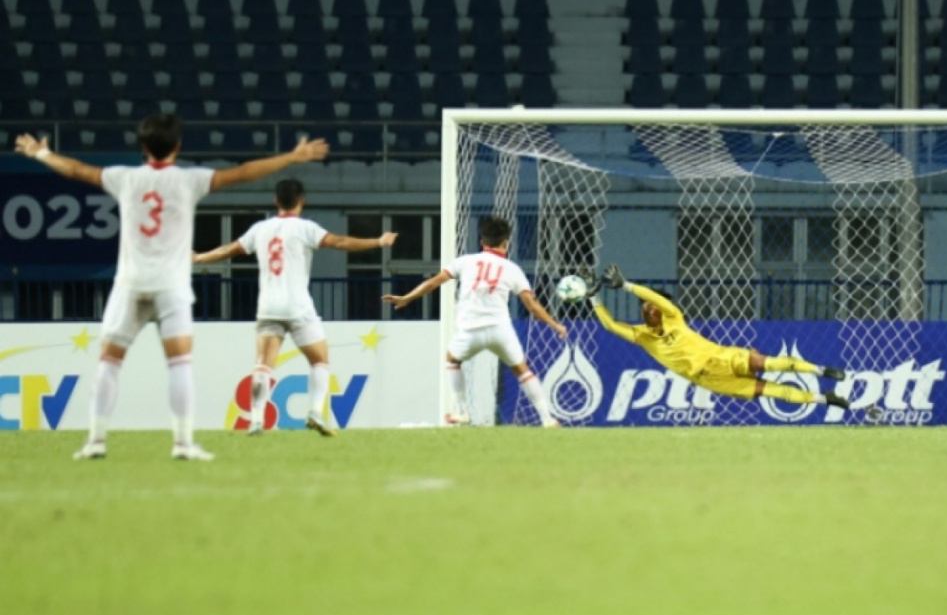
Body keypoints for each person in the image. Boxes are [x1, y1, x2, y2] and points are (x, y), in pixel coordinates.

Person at [13, 115, 329, 460]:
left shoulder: (126, 178)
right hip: (171, 285)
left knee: (109, 360)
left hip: (131, 283)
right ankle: (183, 443)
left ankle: (96, 441)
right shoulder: (188, 180)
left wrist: (40, 153)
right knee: (179, 363)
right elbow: (241, 173)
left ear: (144, 147)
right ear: (178, 147)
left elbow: (76, 170)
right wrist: (290, 157)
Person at [192, 178, 397, 437]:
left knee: (263, 365)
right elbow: (341, 243)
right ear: (302, 201)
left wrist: (199, 257)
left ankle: (255, 420)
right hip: (298, 306)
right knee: (319, 360)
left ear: (276, 201)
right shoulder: (305, 228)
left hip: (268, 306)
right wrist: (378, 242)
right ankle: (315, 413)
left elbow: (230, 250)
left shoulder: (260, 229)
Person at [381, 216, 566, 427]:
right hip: (500, 330)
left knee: (452, 360)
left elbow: (433, 282)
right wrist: (555, 324)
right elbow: (532, 305)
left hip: (470, 330)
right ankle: (547, 419)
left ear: (482, 242)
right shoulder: (512, 269)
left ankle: (461, 412)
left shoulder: (464, 262)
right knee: (522, 370)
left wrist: (407, 298)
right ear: (506, 243)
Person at [585, 265, 849, 409]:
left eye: (651, 305)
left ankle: (819, 369)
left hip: (722, 356)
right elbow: (609, 324)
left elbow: (656, 298)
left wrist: (627, 286)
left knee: (767, 363)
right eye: (644, 307)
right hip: (710, 379)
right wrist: (593, 297)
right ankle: (825, 399)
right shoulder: (642, 336)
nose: (647, 308)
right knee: (772, 392)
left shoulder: (673, 316)